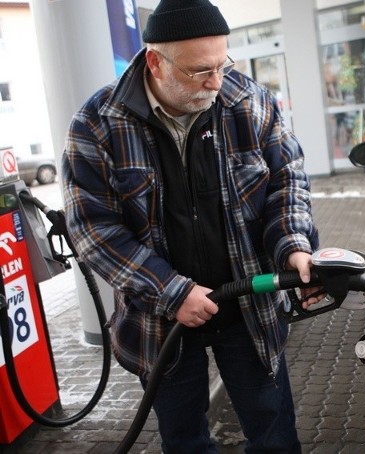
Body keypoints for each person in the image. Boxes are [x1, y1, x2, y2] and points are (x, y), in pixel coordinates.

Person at [62, 0, 322, 452]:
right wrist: (171, 291)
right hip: (160, 321)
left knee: (273, 431)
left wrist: (293, 246)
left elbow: (287, 182)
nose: (216, 82)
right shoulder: (97, 124)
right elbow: (93, 229)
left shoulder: (250, 102)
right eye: (199, 71)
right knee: (184, 440)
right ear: (155, 62)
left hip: (248, 305)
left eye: (222, 65)